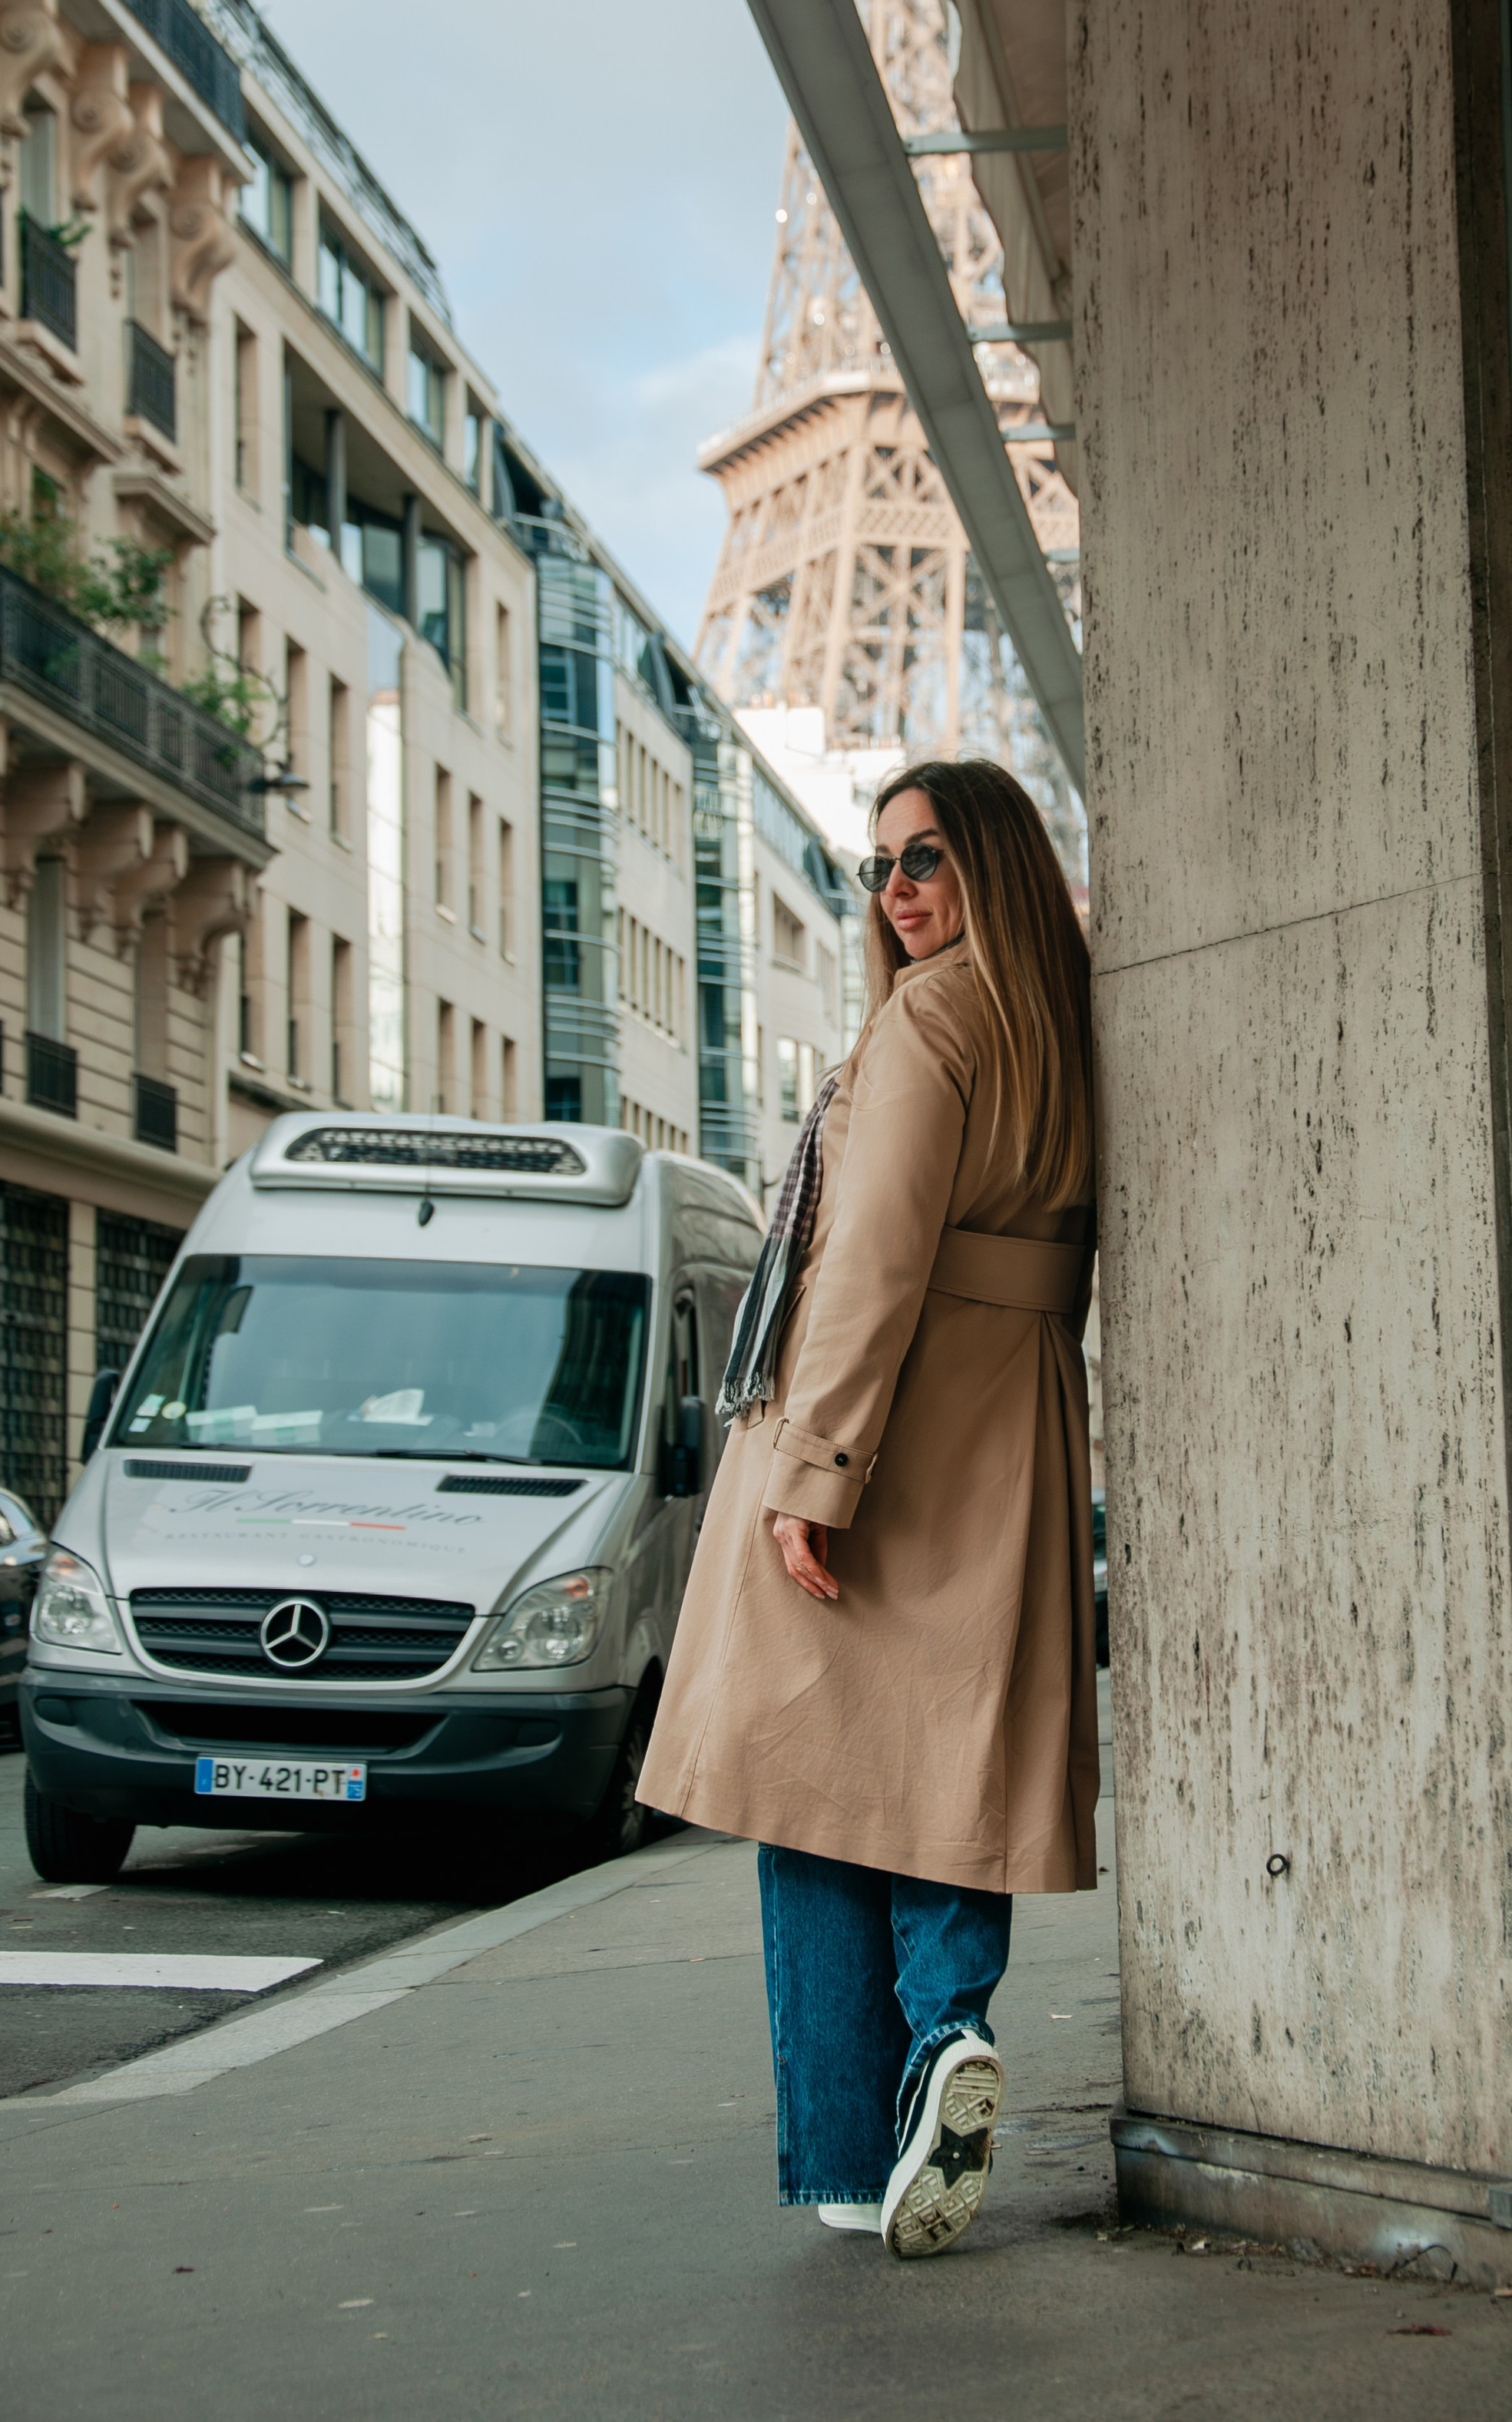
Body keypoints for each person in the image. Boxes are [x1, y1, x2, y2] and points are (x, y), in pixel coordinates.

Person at [637, 756, 1097, 2258]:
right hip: (1010, 1424)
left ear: (991, 865)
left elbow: (870, 1257)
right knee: (950, 1774)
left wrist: (813, 1470)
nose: (894, 889)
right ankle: (948, 2029)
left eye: (925, 857)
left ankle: (851, 2145)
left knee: (813, 1786)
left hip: (887, 1436)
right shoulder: (1055, 1022)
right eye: (877, 864)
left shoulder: (925, 1022)